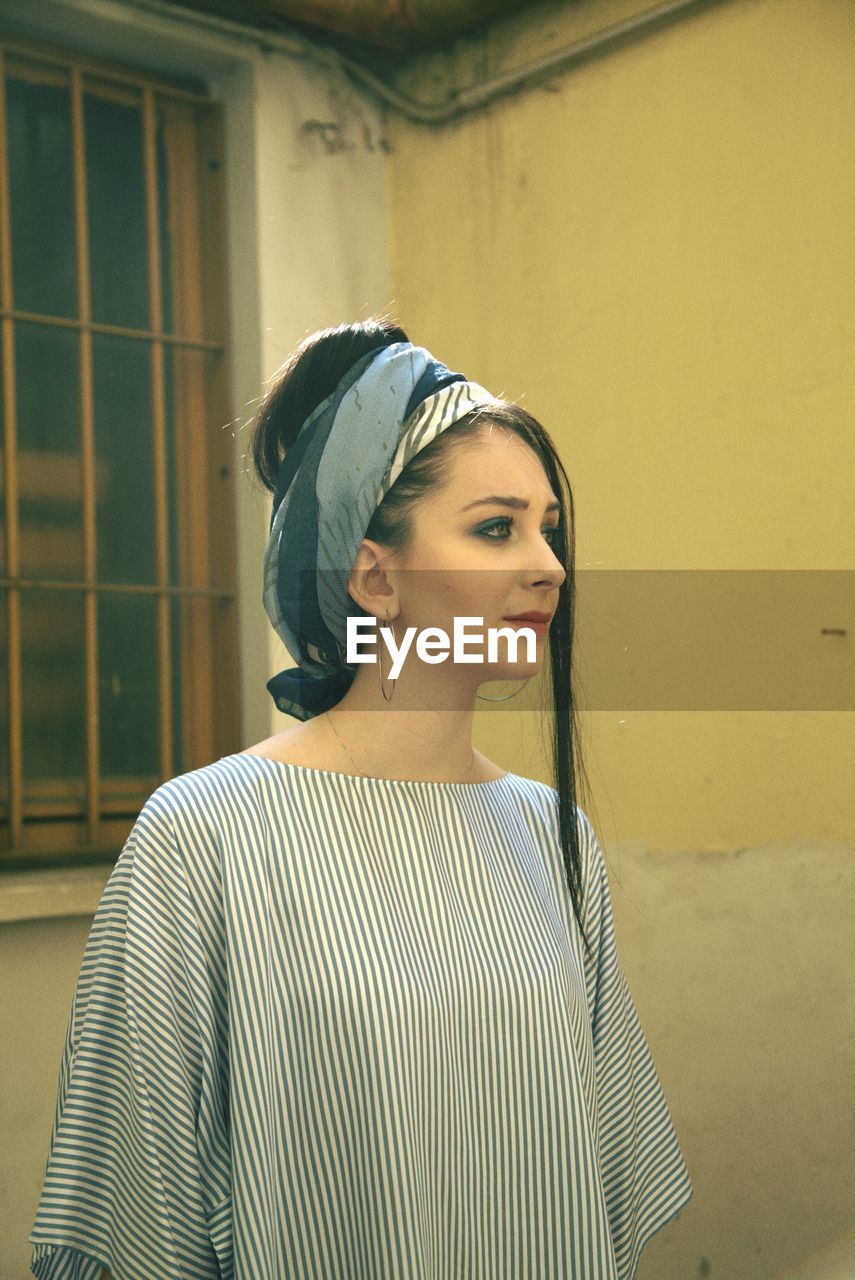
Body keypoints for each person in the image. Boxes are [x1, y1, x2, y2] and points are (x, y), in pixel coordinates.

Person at [29, 319, 693, 1279]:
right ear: (374, 575)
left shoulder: (554, 837)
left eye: (548, 527)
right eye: (496, 527)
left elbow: (601, 1176)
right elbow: (138, 1212)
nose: (548, 564)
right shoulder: (205, 837)